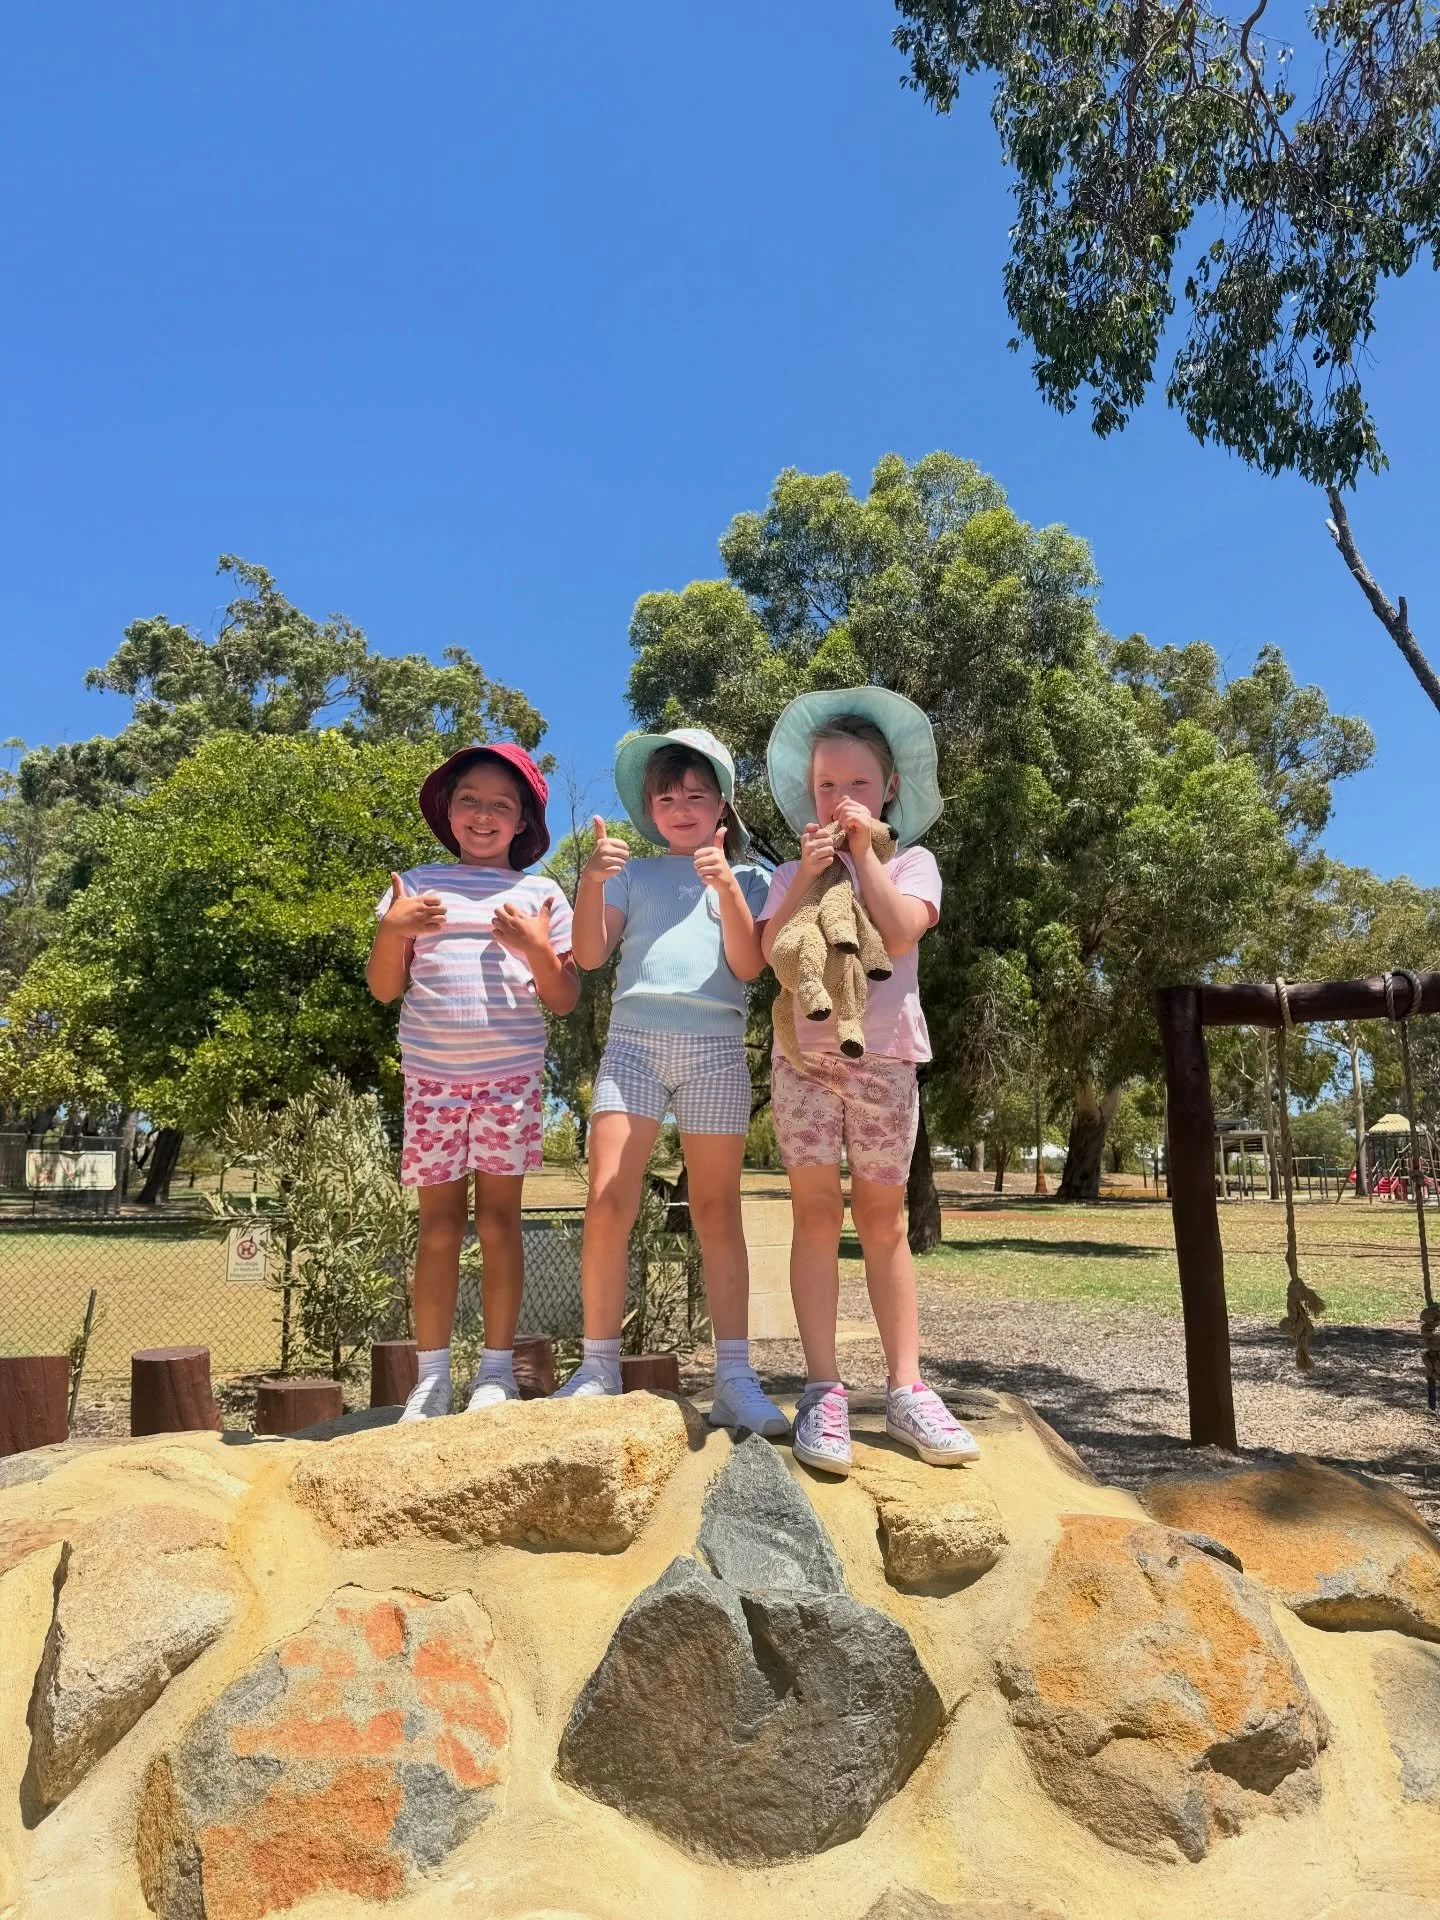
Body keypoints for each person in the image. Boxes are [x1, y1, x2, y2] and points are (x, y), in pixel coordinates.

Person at [757, 689, 979, 1474]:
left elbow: (899, 929)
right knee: (815, 1218)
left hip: (883, 1061)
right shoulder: (791, 868)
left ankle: (908, 1389)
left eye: (856, 785)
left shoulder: (914, 862)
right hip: (805, 1060)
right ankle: (822, 1387)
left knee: (883, 1226)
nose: (840, 800)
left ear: (888, 791)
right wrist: (805, 877)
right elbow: (765, 954)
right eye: (825, 787)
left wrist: (867, 857)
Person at [555, 727, 788, 1437]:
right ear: (649, 809)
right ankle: (598, 1366)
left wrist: (724, 887)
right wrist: (589, 881)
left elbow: (750, 968)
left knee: (717, 1210)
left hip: (716, 1047)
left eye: (696, 794)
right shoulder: (630, 873)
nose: (681, 806)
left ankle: (735, 1378)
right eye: (666, 796)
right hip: (633, 1046)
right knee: (606, 1200)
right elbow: (589, 954)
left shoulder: (751, 878)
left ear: (723, 804)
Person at [366, 742, 579, 1421]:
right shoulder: (413, 887)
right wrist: (391, 931)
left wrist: (539, 949)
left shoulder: (541, 893)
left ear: (522, 822)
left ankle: (494, 1373)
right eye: (470, 800)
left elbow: (565, 996)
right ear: (447, 810)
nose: (484, 815)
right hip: (432, 1083)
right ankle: (430, 1379)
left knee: (500, 1224)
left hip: (508, 1083)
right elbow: (383, 988)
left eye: (501, 804)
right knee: (435, 1230)